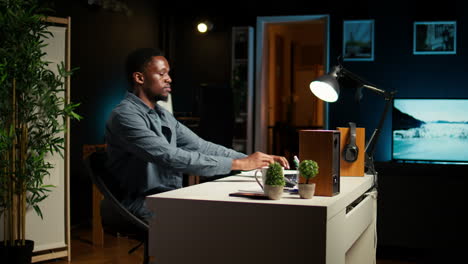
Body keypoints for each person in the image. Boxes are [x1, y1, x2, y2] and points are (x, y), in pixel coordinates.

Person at [105, 48, 289, 221]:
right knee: (219, 217)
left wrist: (254, 161)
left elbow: (202, 146)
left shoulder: (163, 116)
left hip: (167, 195)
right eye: (161, 74)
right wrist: (240, 164)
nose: (169, 79)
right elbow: (170, 157)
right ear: (139, 78)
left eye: (168, 74)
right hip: (138, 202)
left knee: (231, 207)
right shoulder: (125, 116)